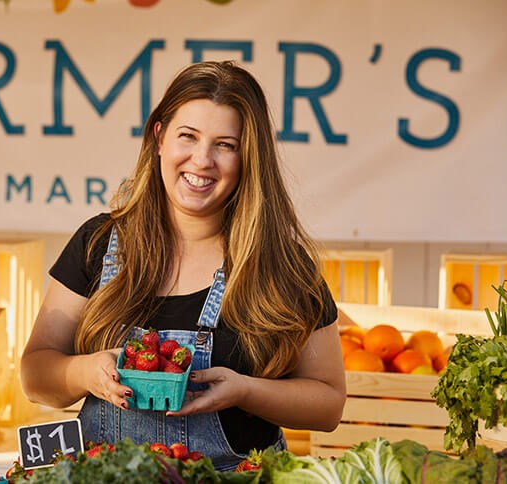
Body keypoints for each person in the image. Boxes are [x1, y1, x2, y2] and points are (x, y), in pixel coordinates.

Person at [20, 60, 346, 471]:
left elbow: (328, 405)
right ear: (159, 137)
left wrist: (244, 391)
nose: (202, 160)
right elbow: (35, 376)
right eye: (187, 136)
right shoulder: (99, 244)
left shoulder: (282, 265)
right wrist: (85, 372)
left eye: (225, 145)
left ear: (248, 158)